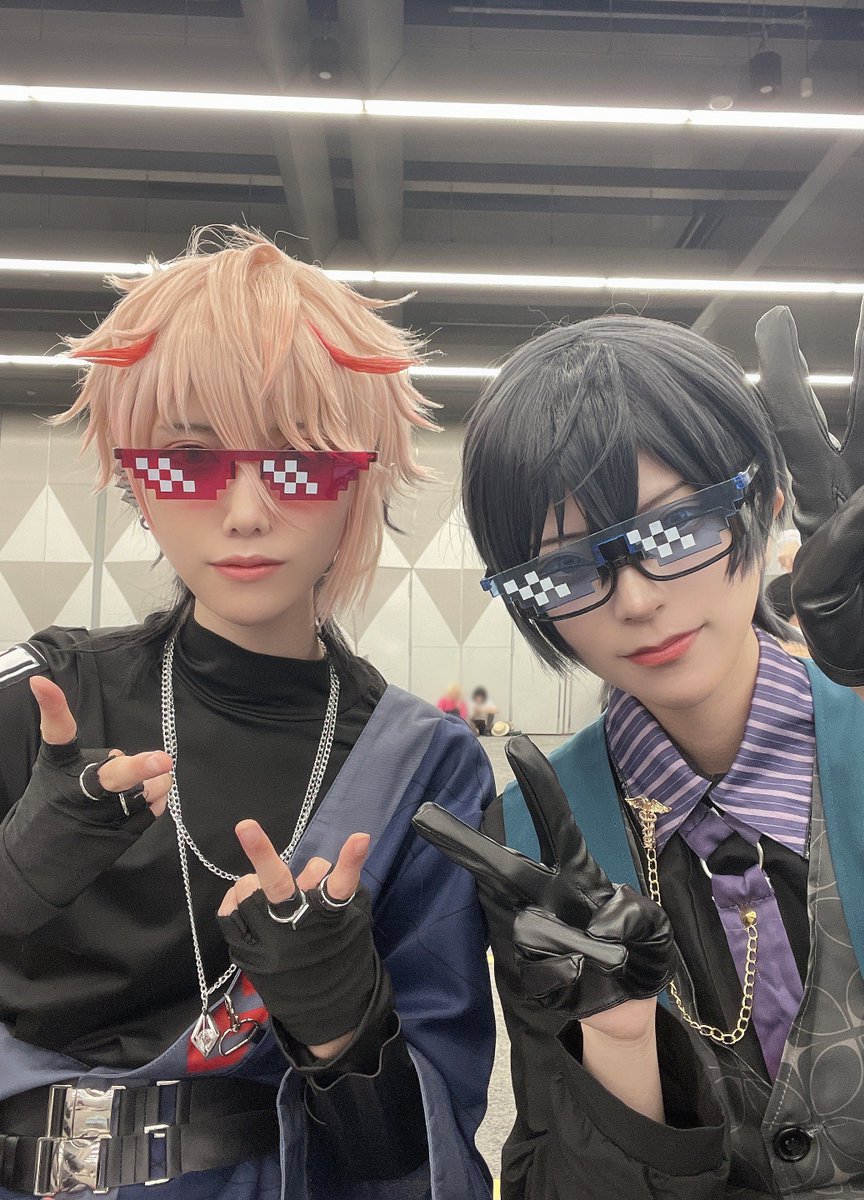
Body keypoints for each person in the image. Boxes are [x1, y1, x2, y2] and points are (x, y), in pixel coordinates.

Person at [0, 227, 494, 1200]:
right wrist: (12, 883)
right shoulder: (46, 700)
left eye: (301, 461)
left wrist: (349, 1031)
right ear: (137, 479)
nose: (247, 509)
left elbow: (413, 1154)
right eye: (189, 459)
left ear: (358, 482)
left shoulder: (422, 767)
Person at [414, 271, 864, 1199]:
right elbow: (554, 1170)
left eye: (674, 529)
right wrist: (620, 1044)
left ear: (765, 500)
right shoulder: (533, 835)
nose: (635, 600)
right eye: (565, 572)